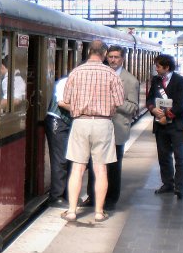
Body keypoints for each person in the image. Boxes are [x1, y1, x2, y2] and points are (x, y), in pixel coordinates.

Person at [60, 40, 124, 223]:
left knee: (77, 168)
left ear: (89, 52)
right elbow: (119, 102)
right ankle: (98, 212)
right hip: (103, 123)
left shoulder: (76, 72)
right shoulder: (111, 74)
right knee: (101, 169)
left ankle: (71, 211)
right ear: (104, 54)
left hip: (80, 122)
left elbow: (66, 99)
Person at [85, 45, 140, 210]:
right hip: (97, 126)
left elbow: (133, 107)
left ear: (122, 59)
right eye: (110, 57)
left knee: (114, 166)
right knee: (94, 162)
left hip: (117, 129)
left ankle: (111, 199)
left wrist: (113, 100)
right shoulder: (100, 75)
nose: (113, 60)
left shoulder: (130, 80)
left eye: (116, 57)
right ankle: (92, 196)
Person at [147, 53, 183, 200]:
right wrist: (153, 109)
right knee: (163, 155)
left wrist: (167, 117)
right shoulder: (156, 81)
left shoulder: (180, 81)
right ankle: (167, 183)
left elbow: (180, 103)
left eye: (158, 66)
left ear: (167, 67)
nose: (156, 69)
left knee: (179, 156)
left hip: (176, 125)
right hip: (160, 125)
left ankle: (180, 187)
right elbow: (150, 98)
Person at [44, 75, 71, 207]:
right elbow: (61, 102)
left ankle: (66, 193)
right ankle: (56, 196)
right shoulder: (64, 82)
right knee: (60, 159)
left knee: (69, 159)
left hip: (69, 122)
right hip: (57, 121)